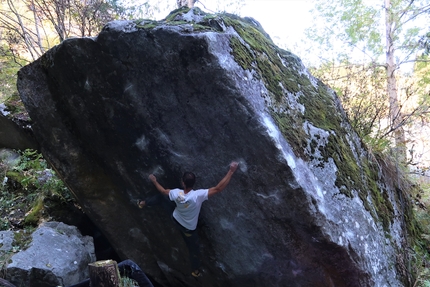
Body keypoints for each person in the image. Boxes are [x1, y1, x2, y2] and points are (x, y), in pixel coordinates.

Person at [138, 161, 239, 278]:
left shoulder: (176, 193)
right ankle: (195, 271)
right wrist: (231, 171)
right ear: (194, 183)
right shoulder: (198, 195)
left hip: (175, 218)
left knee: (161, 198)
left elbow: (163, 191)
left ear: (183, 182)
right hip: (188, 229)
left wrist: (154, 181)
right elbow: (218, 188)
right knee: (194, 249)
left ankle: (143, 203)